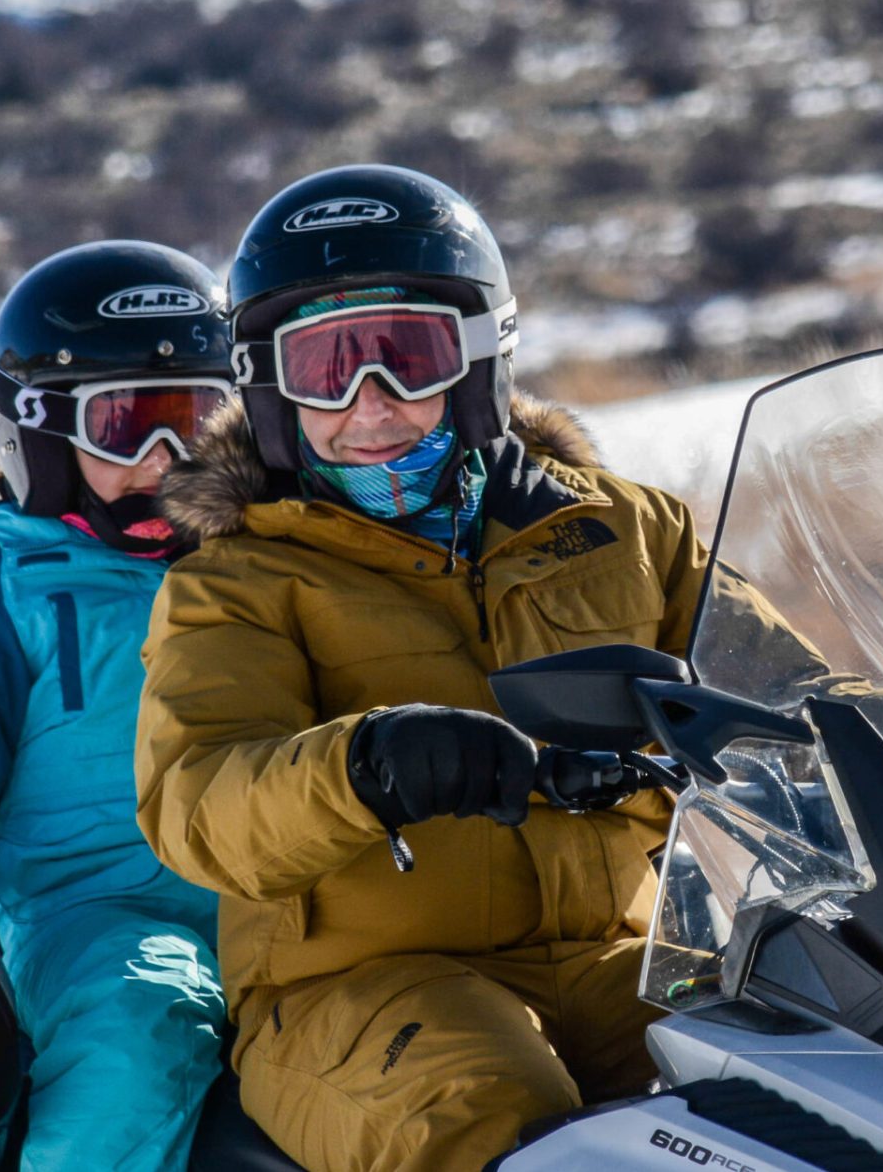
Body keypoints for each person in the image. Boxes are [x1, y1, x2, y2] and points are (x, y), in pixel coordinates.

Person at [134, 165, 709, 1172]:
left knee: (810, 1071)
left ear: (481, 357)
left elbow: (789, 690)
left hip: (620, 959)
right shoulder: (238, 582)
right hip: (354, 993)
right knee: (496, 1114)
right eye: (325, 368)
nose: (370, 404)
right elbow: (199, 804)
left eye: (407, 357)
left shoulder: (628, 532)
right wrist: (367, 766)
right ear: (270, 387)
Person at [0, 241, 235, 1172]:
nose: (163, 461)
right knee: (144, 1034)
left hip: (277, 897)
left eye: (194, 423)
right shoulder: (9, 588)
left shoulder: (263, 563)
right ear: (45, 436)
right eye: (125, 426)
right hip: (96, 921)